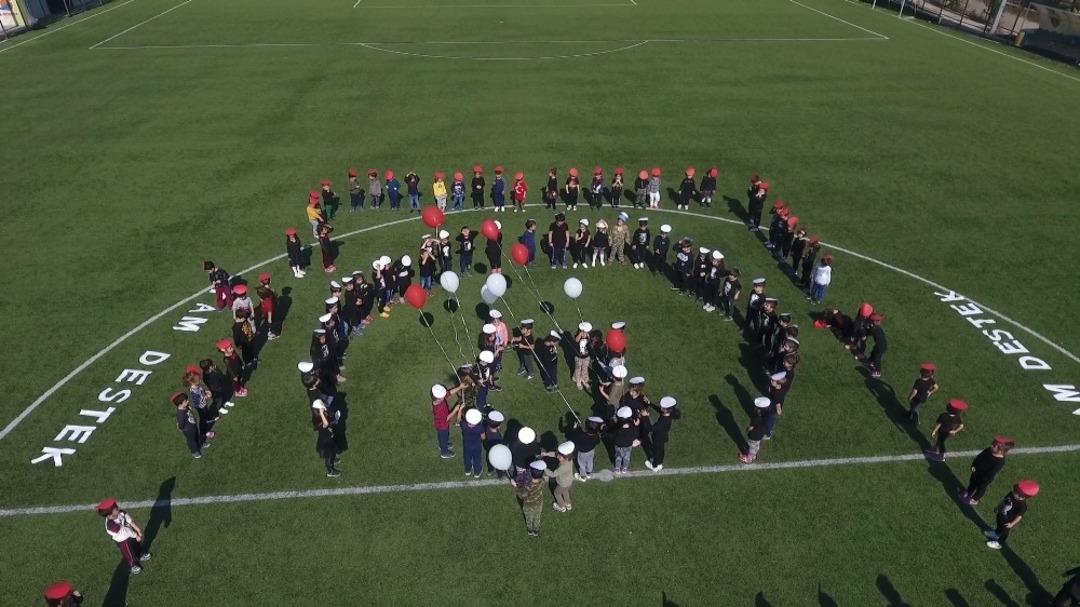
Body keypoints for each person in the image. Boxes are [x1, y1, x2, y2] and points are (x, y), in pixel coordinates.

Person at [96, 498, 151, 575]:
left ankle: (140, 554)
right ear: (109, 515)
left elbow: (130, 521)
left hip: (131, 533)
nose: (118, 508)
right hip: (123, 540)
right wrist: (136, 535)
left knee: (136, 545)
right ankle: (133, 565)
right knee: (129, 553)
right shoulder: (110, 525)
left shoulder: (121, 512)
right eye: (115, 509)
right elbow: (125, 531)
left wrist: (138, 530)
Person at [985, 480, 1039, 550]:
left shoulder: (1022, 506)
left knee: (1005, 531)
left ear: (1022, 496)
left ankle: (999, 543)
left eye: (1016, 493)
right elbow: (1004, 500)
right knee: (999, 523)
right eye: (1015, 491)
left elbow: (1019, 516)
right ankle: (996, 533)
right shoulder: (1011, 493)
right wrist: (998, 506)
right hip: (1002, 513)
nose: (1014, 493)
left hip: (1008, 520)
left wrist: (1012, 524)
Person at [961, 436, 1015, 506]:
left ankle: (974, 499)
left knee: (980, 488)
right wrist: (974, 465)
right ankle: (968, 492)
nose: (991, 446)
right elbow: (979, 457)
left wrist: (984, 478)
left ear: (1001, 450)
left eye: (994, 446)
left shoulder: (1000, 462)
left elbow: (992, 472)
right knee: (972, 482)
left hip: (985, 478)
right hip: (976, 472)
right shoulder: (988, 450)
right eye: (992, 444)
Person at [645, 396, 680, 472]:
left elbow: (650, 428)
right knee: (661, 450)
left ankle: (654, 466)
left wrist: (646, 417)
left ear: (666, 410)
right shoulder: (669, 414)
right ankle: (660, 464)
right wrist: (650, 403)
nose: (660, 407)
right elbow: (659, 410)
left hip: (658, 438)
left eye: (662, 407)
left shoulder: (662, 422)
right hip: (663, 436)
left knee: (656, 452)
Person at [431, 383, 463, 459]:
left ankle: (443, 444)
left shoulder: (437, 399)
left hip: (442, 424)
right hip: (442, 426)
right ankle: (444, 452)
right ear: (439, 399)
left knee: (444, 436)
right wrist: (455, 410)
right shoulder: (439, 410)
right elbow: (446, 418)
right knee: (443, 436)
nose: (445, 396)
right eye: (443, 396)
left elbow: (449, 393)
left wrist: (460, 387)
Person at [311, 396, 340, 477]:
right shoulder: (319, 420)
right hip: (326, 442)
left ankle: (333, 459)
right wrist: (322, 412)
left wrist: (335, 420)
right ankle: (330, 471)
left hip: (329, 438)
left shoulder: (322, 415)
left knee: (332, 452)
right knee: (328, 457)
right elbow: (326, 424)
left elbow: (329, 423)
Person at [171, 392, 205, 459]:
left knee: (197, 436)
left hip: (193, 426)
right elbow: (181, 424)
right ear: (180, 404)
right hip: (188, 430)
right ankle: (194, 451)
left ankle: (200, 443)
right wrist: (180, 427)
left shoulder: (185, 406)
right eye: (185, 401)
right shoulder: (180, 414)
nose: (188, 401)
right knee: (191, 440)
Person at [518, 460, 547, 537]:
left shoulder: (527, 486)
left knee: (529, 519)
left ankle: (530, 531)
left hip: (528, 505)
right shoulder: (543, 481)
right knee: (537, 518)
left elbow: (522, 496)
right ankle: (536, 531)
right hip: (539, 503)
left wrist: (518, 487)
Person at [739, 396, 772, 463]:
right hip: (760, 435)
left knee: (751, 447)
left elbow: (751, 428)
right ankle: (754, 455)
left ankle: (748, 459)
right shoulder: (768, 415)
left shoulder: (756, 418)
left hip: (753, 436)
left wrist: (747, 429)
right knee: (756, 445)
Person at [545, 441, 576, 512]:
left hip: (563, 483)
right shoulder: (569, 458)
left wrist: (545, 468)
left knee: (557, 493)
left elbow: (553, 474)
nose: (557, 457)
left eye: (560, 456)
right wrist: (547, 454)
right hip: (569, 482)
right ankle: (568, 504)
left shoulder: (563, 467)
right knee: (565, 491)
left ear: (565, 456)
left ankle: (561, 507)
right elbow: (556, 454)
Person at [612, 406, 639, 474]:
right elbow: (635, 434)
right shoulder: (632, 427)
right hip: (628, 444)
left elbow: (613, 434)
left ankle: (617, 468)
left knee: (618, 456)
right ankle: (624, 468)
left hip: (618, 444)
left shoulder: (617, 427)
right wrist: (636, 425)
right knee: (626, 457)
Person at [460, 408, 486, 478]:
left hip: (467, 445)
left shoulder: (463, 424)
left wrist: (460, 410)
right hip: (477, 445)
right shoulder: (480, 427)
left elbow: (459, 420)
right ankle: (477, 472)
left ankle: (467, 470)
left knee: (467, 458)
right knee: (477, 458)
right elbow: (483, 437)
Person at [483, 410, 505, 476]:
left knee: (489, 460)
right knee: (498, 463)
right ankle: (500, 474)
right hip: (496, 453)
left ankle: (490, 471)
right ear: (498, 426)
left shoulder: (485, 425)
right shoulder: (498, 438)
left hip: (488, 448)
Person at [572, 322, 592, 391]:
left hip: (586, 356)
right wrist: (580, 334)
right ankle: (578, 381)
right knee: (578, 369)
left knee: (585, 368)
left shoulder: (588, 336)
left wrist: (588, 336)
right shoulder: (578, 335)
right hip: (579, 357)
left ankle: (584, 379)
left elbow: (590, 343)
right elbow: (576, 340)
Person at [866, 312, 887, 378]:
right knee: (874, 352)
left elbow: (869, 332)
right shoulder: (878, 328)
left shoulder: (874, 329)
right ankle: (871, 361)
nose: (880, 322)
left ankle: (878, 372)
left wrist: (867, 329)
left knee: (877, 358)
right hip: (881, 345)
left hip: (880, 346)